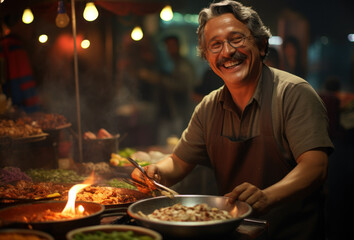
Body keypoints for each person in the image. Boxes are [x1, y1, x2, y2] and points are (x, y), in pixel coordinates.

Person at [132, 1, 333, 239]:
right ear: (207, 57)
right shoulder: (208, 106)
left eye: (236, 39)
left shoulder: (293, 93)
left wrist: (267, 196)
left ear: (261, 44)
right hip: (235, 233)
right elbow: (178, 161)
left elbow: (315, 166)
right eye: (215, 45)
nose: (226, 52)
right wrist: (156, 171)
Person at [138, 35, 197, 145]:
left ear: (178, 46)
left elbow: (182, 86)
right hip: (167, 113)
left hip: (179, 113)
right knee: (163, 146)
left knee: (179, 146)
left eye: (172, 46)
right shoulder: (171, 63)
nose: (169, 49)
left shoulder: (184, 65)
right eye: (167, 46)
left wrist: (157, 79)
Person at [0, 14, 40, 114]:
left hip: (16, 102)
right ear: (16, 25)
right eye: (25, 25)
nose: (29, 29)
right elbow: (20, 79)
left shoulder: (8, 44)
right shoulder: (13, 46)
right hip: (21, 104)